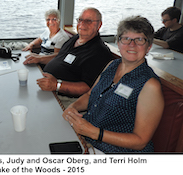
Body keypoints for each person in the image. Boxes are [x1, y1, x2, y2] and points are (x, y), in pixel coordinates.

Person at [63, 16, 164, 153]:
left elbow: (140, 141)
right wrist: (73, 107)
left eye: (139, 40)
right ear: (118, 42)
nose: (131, 44)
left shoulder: (149, 85)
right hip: (86, 137)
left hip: (114, 151)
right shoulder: (112, 65)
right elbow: (89, 94)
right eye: (126, 39)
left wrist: (94, 132)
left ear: (149, 47)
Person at [24, 7, 113, 98]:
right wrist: (40, 59)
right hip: (47, 85)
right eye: (80, 20)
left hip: (63, 97)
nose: (82, 24)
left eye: (88, 21)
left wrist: (56, 85)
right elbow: (60, 57)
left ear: (99, 25)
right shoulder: (76, 38)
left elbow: (88, 88)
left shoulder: (100, 52)